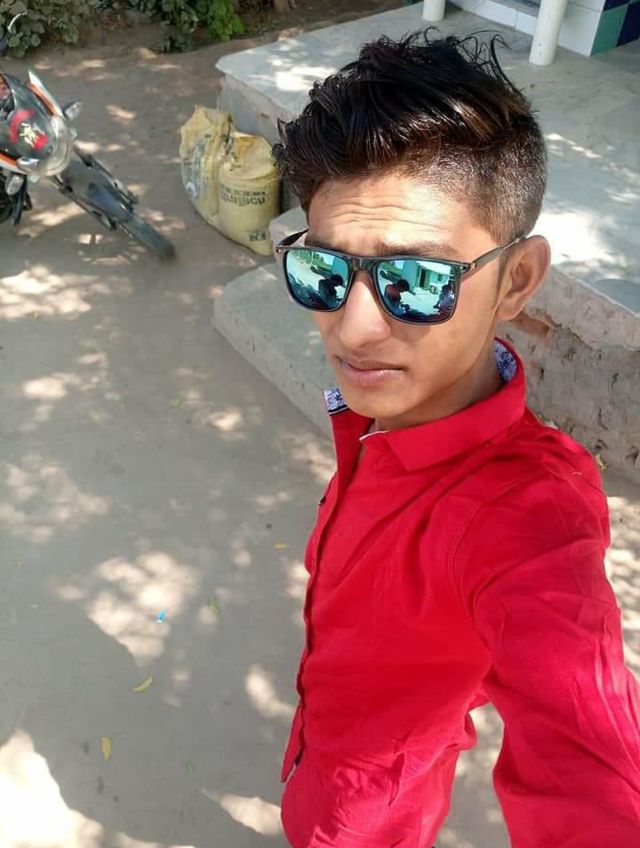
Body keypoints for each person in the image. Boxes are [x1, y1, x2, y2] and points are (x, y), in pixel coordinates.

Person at [273, 30, 640, 848]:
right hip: (322, 751)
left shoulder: (527, 518)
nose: (353, 329)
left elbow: (591, 768)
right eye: (324, 271)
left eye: (416, 280)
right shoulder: (385, 415)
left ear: (517, 280)